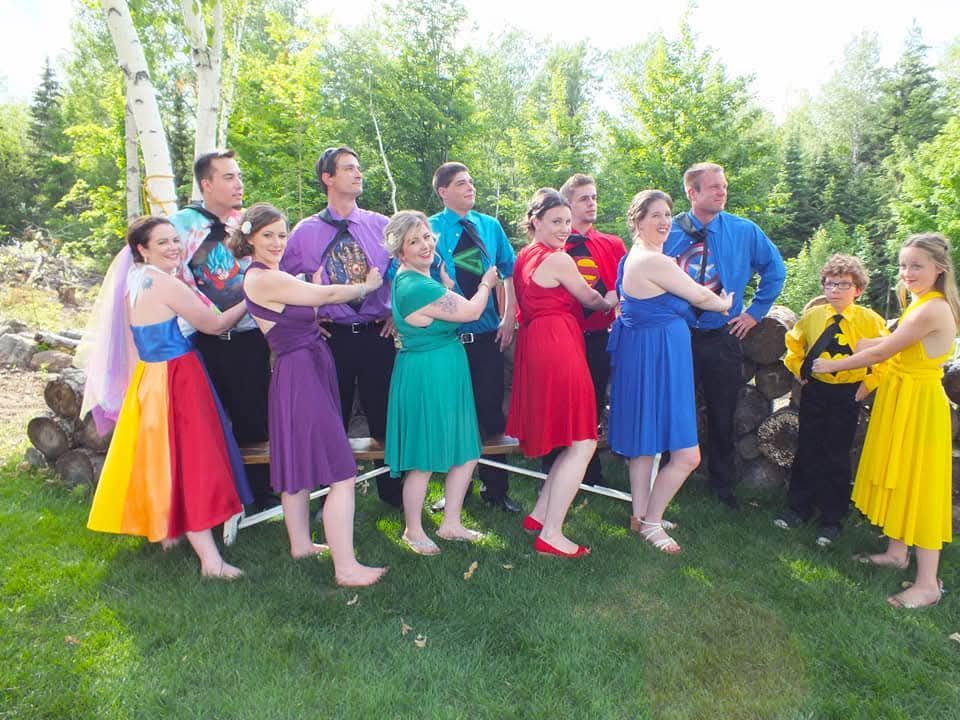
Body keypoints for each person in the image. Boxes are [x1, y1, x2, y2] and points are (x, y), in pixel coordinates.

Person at [87, 216, 252, 579]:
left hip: (150, 377)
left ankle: (168, 534)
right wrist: (250, 298)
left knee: (164, 459)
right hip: (177, 376)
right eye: (163, 242)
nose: (174, 247)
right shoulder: (163, 283)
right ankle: (211, 561)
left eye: (175, 240)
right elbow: (214, 324)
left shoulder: (133, 283)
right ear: (142, 249)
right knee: (193, 461)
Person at [233, 203, 387, 587]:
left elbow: (304, 304)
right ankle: (346, 568)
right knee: (342, 472)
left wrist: (309, 310)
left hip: (303, 366)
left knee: (298, 464)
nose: (277, 242)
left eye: (282, 234)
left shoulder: (272, 275)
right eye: (267, 235)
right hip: (300, 373)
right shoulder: (263, 278)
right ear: (249, 237)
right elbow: (329, 292)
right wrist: (367, 286)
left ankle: (301, 546)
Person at [813, 233, 959, 609]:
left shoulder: (933, 307)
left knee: (920, 486)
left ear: (939, 269)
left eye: (916, 266)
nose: (907, 272)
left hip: (919, 407)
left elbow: (885, 350)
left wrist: (832, 365)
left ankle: (928, 584)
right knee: (900, 475)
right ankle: (897, 552)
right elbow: (894, 340)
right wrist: (872, 343)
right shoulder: (918, 301)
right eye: (903, 265)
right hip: (902, 399)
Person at [608, 190, 733, 554]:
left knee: (646, 444)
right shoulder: (653, 261)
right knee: (687, 455)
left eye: (667, 214)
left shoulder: (638, 256)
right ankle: (650, 522)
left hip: (648, 352)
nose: (664, 222)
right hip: (658, 354)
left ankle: (640, 515)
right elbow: (702, 297)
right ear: (638, 221)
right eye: (655, 215)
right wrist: (726, 302)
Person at [280, 146, 402, 508]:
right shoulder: (305, 233)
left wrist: (396, 310)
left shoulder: (381, 226)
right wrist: (309, 317)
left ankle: (394, 496)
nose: (358, 173)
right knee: (330, 418)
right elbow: (283, 282)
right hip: (331, 339)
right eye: (349, 168)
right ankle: (325, 499)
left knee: (386, 416)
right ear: (327, 178)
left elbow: (402, 270)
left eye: (359, 168)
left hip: (377, 334)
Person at [664, 162, 785, 510]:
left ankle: (722, 484)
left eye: (724, 186)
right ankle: (668, 478)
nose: (722, 192)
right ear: (693, 192)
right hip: (677, 334)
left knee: (723, 411)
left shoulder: (743, 231)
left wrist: (754, 313)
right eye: (714, 187)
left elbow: (775, 271)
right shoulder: (669, 232)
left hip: (722, 335)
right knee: (673, 406)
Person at [507, 189, 618, 558]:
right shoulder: (558, 260)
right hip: (558, 343)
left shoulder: (524, 255)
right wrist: (615, 298)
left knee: (572, 438)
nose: (564, 229)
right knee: (583, 439)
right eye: (556, 221)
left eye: (567, 222)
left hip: (538, 341)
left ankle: (539, 515)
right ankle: (552, 533)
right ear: (536, 221)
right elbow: (591, 300)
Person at [383, 211, 498, 555]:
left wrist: (446, 285)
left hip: (446, 369)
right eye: (413, 241)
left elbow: (445, 305)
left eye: (427, 237)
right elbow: (471, 312)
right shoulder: (415, 284)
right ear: (400, 251)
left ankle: (451, 524)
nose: (425, 245)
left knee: (465, 448)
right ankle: (413, 531)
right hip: (427, 375)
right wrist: (486, 284)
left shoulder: (424, 278)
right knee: (423, 457)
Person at [168, 149, 276, 512]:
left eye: (239, 176)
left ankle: (260, 495)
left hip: (248, 338)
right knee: (206, 423)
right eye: (229, 177)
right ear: (206, 184)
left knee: (253, 417)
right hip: (201, 341)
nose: (238, 183)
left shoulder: (245, 224)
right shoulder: (178, 227)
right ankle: (212, 497)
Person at [776, 254, 888, 546]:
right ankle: (798, 508)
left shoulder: (869, 321)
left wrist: (866, 386)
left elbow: (885, 356)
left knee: (836, 455)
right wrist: (800, 371)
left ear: (858, 289)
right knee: (808, 448)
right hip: (816, 391)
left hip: (848, 393)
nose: (835, 290)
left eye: (843, 284)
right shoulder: (813, 317)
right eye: (829, 284)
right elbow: (794, 344)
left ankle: (832, 518)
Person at [429, 162, 521, 514]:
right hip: (447, 340)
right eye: (461, 183)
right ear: (443, 191)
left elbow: (508, 271)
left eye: (471, 182)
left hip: (485, 338)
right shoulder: (430, 229)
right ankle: (456, 493)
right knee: (451, 415)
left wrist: (509, 314)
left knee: (490, 414)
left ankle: (496, 489)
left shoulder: (489, 226)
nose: (470, 188)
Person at [540, 174, 626, 486]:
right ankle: (552, 469)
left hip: (596, 337)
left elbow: (623, 285)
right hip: (562, 338)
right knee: (559, 402)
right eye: (583, 198)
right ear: (567, 204)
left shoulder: (612, 245)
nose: (592, 203)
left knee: (591, 403)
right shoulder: (550, 247)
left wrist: (616, 299)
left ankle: (590, 472)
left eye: (594, 197)